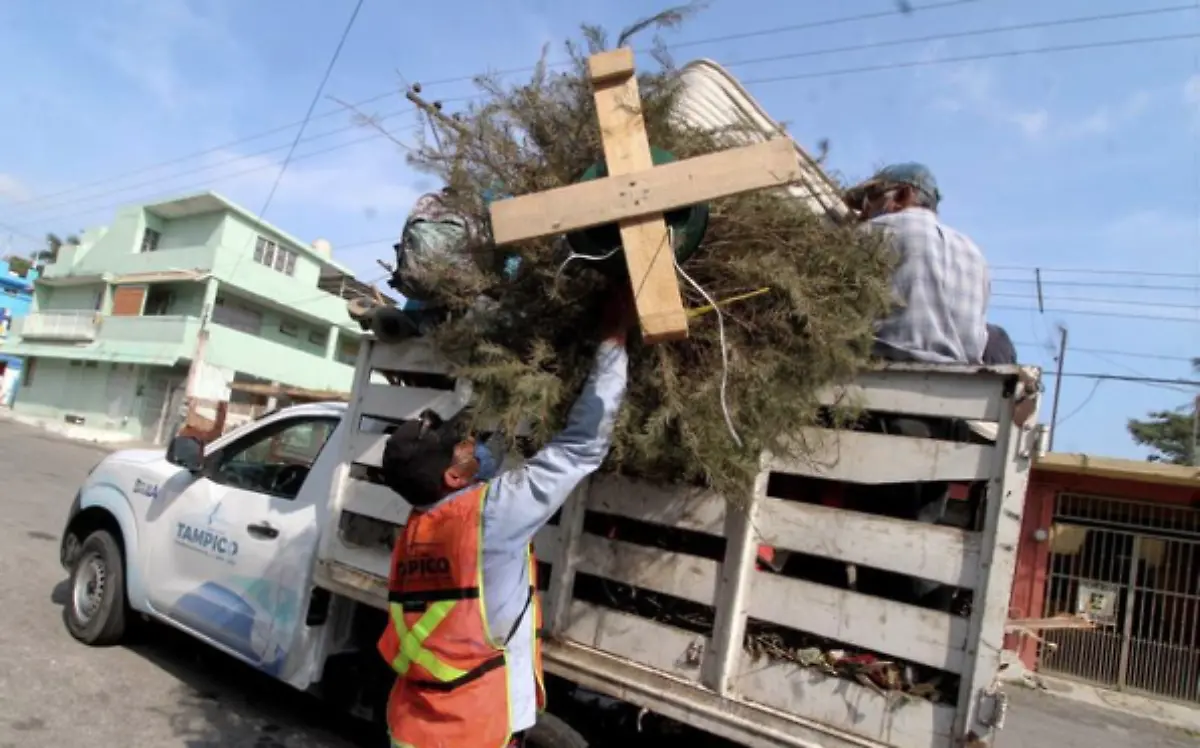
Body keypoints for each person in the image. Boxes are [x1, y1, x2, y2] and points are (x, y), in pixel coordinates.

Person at [375, 290, 632, 748]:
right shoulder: (488, 517)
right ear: (453, 476)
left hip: (416, 726)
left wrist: (523, 387)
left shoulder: (419, 528)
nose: (471, 443)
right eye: (460, 446)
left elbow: (486, 459)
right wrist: (613, 339)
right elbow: (581, 447)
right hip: (472, 731)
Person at [844, 163, 990, 365]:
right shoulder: (974, 253)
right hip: (963, 378)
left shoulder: (877, 232)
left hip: (880, 368)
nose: (862, 215)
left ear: (903, 195)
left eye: (870, 201)